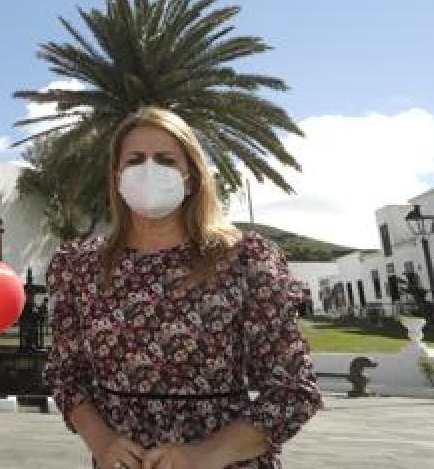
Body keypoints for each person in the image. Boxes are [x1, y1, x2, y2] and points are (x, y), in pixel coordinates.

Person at [45, 107, 320, 469]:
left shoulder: (244, 259)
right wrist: (103, 442)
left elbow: (292, 390)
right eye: (135, 160)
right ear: (117, 177)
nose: (149, 169)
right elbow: (66, 376)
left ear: (190, 177)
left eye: (165, 159)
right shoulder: (79, 267)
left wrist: (203, 455)